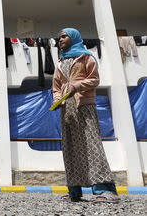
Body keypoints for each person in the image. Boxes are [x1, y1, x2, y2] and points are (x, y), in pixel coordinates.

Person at [52, 28, 120, 203]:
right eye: (59, 38)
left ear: (74, 37)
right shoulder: (60, 62)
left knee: (91, 146)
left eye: (64, 36)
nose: (60, 40)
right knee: (70, 148)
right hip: (67, 110)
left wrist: (77, 85)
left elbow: (95, 79)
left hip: (84, 106)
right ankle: (75, 191)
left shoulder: (86, 57)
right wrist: (58, 99)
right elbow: (56, 87)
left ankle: (105, 190)